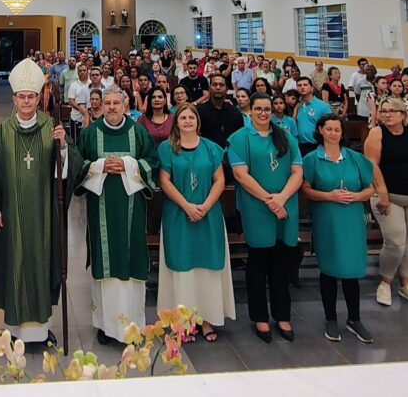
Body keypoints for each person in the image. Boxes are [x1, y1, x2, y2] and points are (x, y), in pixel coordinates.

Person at [0, 58, 81, 344]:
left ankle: (40, 330)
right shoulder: (4, 132)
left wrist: (63, 149)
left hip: (44, 214)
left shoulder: (52, 128)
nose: (26, 101)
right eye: (21, 97)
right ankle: (13, 330)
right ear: (13, 98)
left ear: (38, 97)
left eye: (31, 96)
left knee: (40, 261)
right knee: (14, 263)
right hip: (10, 213)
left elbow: (68, 173)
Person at [75, 87, 157, 344]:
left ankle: (133, 324)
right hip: (101, 208)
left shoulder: (138, 132)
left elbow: (153, 162)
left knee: (130, 260)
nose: (111, 107)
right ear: (100, 106)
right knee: (106, 262)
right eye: (107, 103)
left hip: (132, 211)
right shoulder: (90, 133)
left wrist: (128, 165)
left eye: (116, 103)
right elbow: (78, 165)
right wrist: (98, 166)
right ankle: (106, 326)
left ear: (125, 105)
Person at [227, 92, 303, 343]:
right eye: (258, 109)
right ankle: (260, 317)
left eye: (267, 109)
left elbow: (297, 172)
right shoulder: (240, 138)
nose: (263, 113)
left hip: (285, 205)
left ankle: (282, 315)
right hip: (256, 207)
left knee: (282, 263)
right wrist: (270, 200)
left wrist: (281, 199)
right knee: (258, 263)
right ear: (250, 111)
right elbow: (241, 175)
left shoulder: (286, 137)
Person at [157, 103, 236, 342]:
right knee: (183, 271)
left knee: (207, 270)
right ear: (177, 122)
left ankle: (207, 319)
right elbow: (165, 181)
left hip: (208, 215)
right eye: (183, 118)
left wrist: (204, 206)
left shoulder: (212, 149)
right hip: (179, 214)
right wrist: (187, 206)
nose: (188, 121)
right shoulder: (167, 148)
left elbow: (219, 180)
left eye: (192, 117)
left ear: (197, 122)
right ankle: (183, 322)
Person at [300, 114, 375, 343]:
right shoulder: (312, 159)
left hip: (351, 218)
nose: (333, 133)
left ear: (342, 133)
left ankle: (354, 319)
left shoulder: (354, 158)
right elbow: (306, 189)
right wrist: (328, 196)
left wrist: (356, 196)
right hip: (327, 218)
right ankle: (330, 319)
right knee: (329, 268)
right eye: (329, 129)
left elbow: (369, 188)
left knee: (351, 269)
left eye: (337, 129)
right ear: (321, 131)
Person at [364, 97, 408, 308]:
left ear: (403, 115)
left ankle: (406, 283)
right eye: (383, 111)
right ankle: (385, 282)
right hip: (389, 196)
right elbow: (372, 164)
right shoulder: (376, 133)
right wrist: (382, 192)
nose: (386, 114)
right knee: (395, 242)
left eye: (391, 111)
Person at [197, 74, 244, 149]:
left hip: (230, 156)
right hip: (207, 155)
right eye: (215, 84)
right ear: (209, 88)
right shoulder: (199, 111)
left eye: (221, 85)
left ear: (227, 89)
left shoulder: (235, 112)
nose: (218, 87)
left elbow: (240, 137)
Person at [293, 76, 333, 155]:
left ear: (312, 88)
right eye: (299, 85)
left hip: (316, 146)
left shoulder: (323, 106)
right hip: (298, 145)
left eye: (305, 85)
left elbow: (330, 126)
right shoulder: (296, 105)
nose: (302, 87)